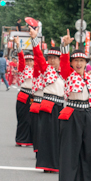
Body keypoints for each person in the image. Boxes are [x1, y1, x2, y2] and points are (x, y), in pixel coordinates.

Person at [53, 29, 91, 181]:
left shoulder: (90, 77)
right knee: (69, 150)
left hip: (87, 113)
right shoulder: (68, 74)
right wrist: (65, 47)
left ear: (86, 62)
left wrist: (89, 106)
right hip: (72, 113)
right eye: (76, 61)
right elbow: (63, 61)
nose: (79, 64)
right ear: (72, 63)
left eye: (82, 60)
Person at [32, 41, 64, 172]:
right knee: (47, 135)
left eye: (54, 58)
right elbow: (39, 57)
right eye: (49, 58)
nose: (51, 61)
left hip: (61, 106)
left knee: (59, 136)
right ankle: (47, 164)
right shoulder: (47, 70)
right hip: (49, 104)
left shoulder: (66, 72)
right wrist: (34, 40)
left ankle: (57, 163)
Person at [14, 40, 34, 146]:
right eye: (28, 61)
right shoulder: (22, 69)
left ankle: (30, 140)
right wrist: (18, 46)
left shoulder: (37, 71)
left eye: (31, 61)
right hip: (24, 95)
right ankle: (21, 139)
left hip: (33, 96)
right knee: (23, 119)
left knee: (32, 120)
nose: (29, 63)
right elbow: (21, 59)